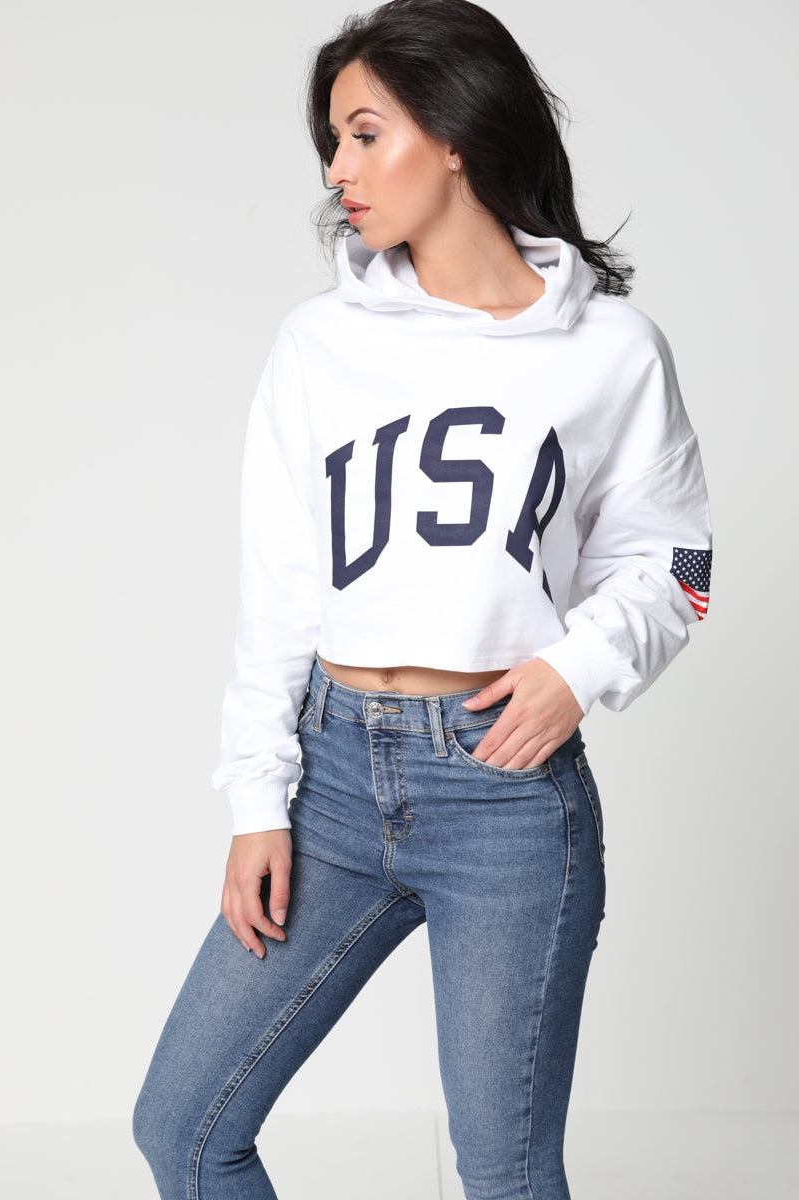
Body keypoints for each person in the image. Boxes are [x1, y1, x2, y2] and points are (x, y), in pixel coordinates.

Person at [133, 1, 712, 1197]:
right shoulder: (319, 344)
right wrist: (257, 800)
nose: (335, 172)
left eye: (362, 134)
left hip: (504, 798)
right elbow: (279, 588)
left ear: (452, 133)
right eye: (331, 143)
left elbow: (679, 565)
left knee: (502, 1174)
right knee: (184, 1128)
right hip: (332, 780)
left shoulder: (610, 350)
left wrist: (575, 670)